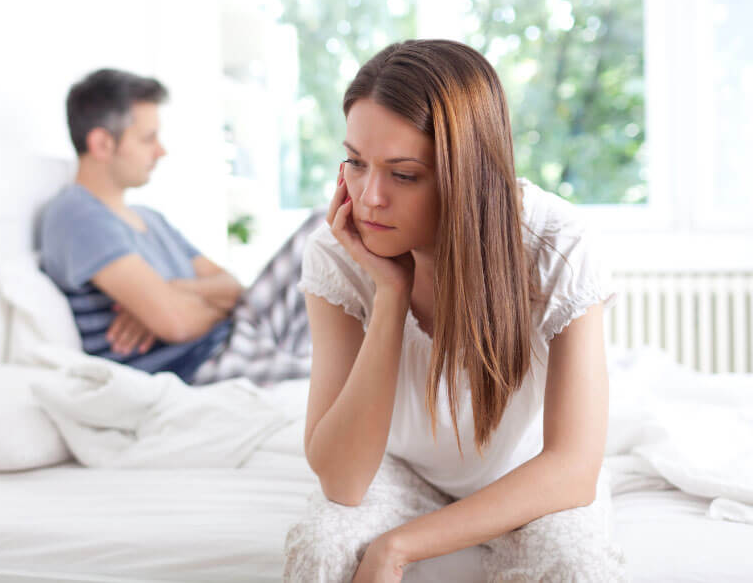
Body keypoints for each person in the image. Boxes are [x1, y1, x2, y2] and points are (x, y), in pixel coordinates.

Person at [283, 40, 628, 581]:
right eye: (355, 162)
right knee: (320, 548)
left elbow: (572, 469)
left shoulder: (558, 244)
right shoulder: (337, 254)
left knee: (577, 567)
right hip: (400, 470)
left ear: (468, 174)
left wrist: (398, 546)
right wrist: (392, 295)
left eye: (404, 174)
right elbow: (343, 482)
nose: (369, 197)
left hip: (526, 474)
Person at [40, 68, 317, 385]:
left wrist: (176, 290)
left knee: (326, 229)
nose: (161, 151)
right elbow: (178, 323)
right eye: (148, 139)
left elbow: (232, 287)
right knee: (328, 227)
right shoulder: (79, 215)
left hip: (237, 337)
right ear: (102, 144)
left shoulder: (150, 218)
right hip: (203, 363)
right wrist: (219, 306)